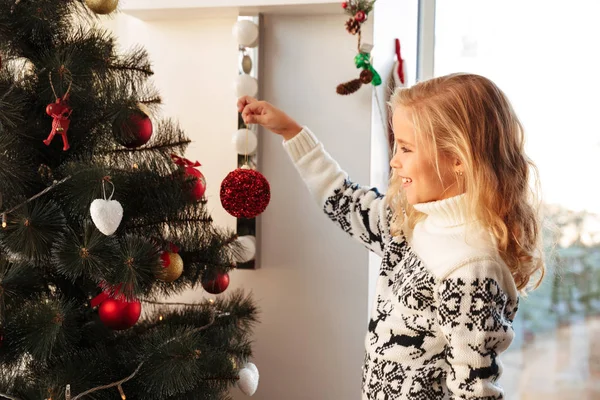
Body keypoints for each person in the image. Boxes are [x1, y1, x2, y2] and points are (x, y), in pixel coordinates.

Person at [238, 73, 545, 399]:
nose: (395, 162)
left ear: (458, 159)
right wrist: (291, 132)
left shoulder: (471, 269)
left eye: (407, 149)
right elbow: (346, 203)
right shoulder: (414, 224)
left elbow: (474, 391)